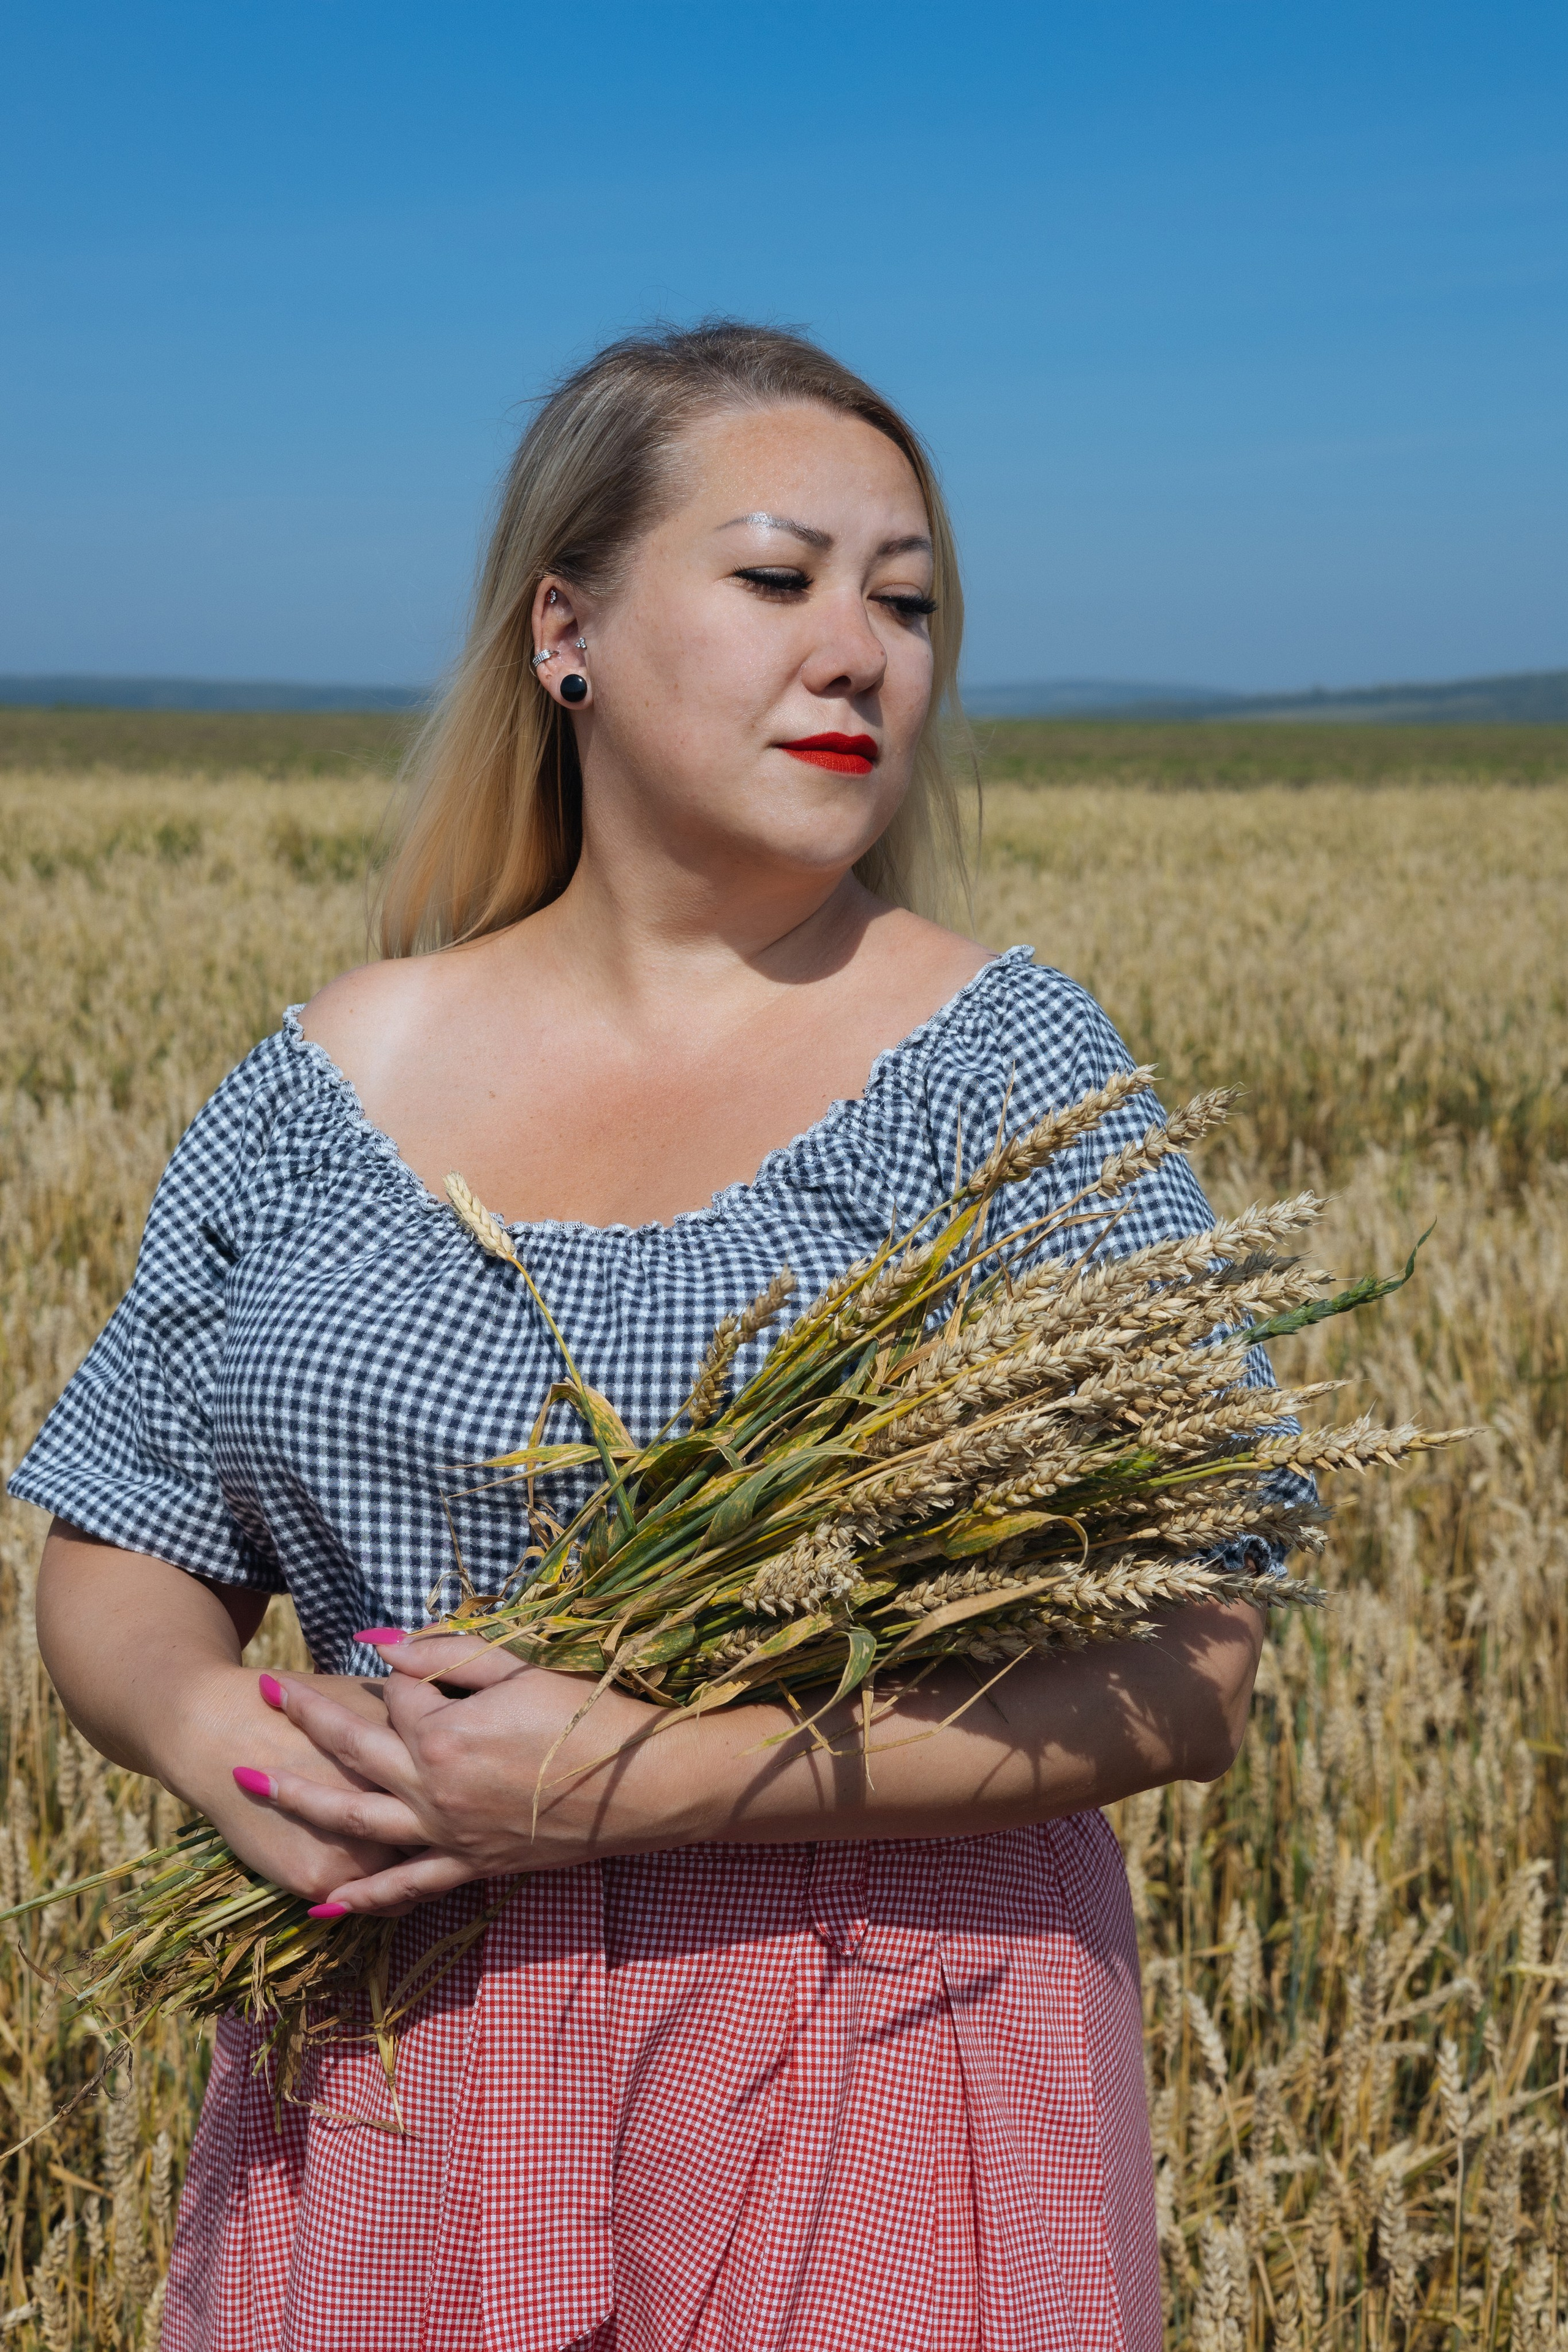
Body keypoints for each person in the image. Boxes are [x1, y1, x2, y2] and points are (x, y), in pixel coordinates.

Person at [17, 322, 1267, 2352]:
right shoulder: (328, 1075)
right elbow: (121, 1544)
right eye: (781, 578)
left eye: (910, 600)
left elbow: (1192, 1672)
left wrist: (639, 1779)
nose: (859, 649)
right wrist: (216, 1734)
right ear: (566, 628)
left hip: (882, 2069)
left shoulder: (1009, 1070)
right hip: (397, 2069)